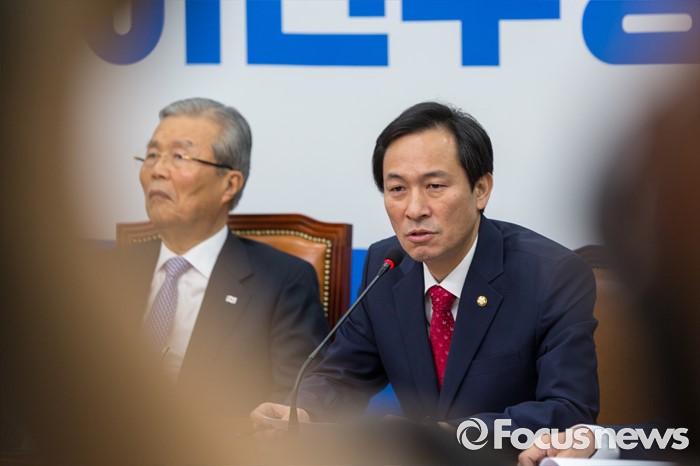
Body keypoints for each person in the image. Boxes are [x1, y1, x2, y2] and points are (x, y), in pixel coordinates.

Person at [251, 102, 599, 442]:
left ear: (481, 190)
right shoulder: (385, 266)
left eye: (434, 186)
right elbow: (343, 376)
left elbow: (569, 410)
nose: (414, 209)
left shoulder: (550, 275)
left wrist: (450, 435)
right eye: (397, 189)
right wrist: (302, 410)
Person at [109, 97, 328, 419]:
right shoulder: (105, 271)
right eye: (152, 155)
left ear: (229, 184)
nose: (157, 170)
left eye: (179, 156)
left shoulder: (282, 283)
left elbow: (289, 405)